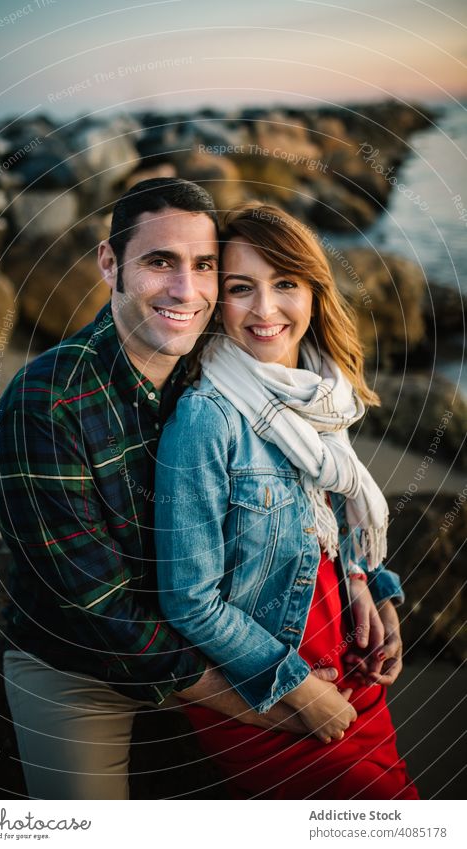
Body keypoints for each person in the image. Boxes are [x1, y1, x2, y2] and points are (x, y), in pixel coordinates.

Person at [0, 179, 341, 800]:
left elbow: (306, 475)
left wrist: (368, 581)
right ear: (109, 264)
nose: (185, 289)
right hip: (84, 669)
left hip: (220, 635)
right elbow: (100, 611)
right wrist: (278, 695)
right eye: (159, 262)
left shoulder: (222, 369)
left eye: (204, 266)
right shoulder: (45, 402)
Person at [155, 202, 420, 799]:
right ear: (215, 300)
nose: (265, 309)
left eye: (285, 284)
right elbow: (188, 600)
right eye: (240, 287)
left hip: (349, 664)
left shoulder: (323, 393)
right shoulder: (208, 417)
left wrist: (373, 591)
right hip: (271, 691)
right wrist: (297, 688)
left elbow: (328, 527)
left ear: (314, 293)